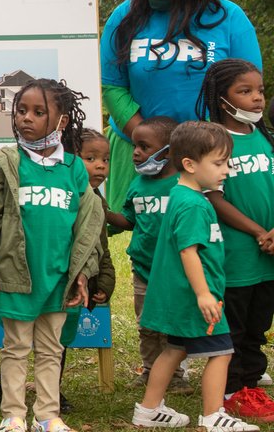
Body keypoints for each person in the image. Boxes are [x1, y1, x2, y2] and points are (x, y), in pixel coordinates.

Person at [0, 78, 103, 432]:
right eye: (22, 110)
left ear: (61, 121)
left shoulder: (74, 168)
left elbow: (87, 227)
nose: (26, 118)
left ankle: (48, 415)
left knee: (51, 349)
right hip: (16, 275)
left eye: (38, 112)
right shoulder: (7, 161)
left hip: (57, 277)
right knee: (15, 348)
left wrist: (82, 272)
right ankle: (12, 414)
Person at [100, 0, 261, 213]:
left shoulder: (229, 18)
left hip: (209, 151)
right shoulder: (124, 16)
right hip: (140, 147)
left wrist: (203, 145)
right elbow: (113, 86)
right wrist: (148, 140)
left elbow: (246, 86)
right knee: (144, 235)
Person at [132, 121, 258, 431]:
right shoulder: (192, 205)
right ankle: (213, 415)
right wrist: (203, 294)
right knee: (223, 352)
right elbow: (188, 252)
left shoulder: (183, 195)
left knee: (175, 349)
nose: (226, 170)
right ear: (189, 164)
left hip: (184, 296)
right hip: (195, 298)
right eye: (218, 163)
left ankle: (148, 409)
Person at [195, 59, 274, 422]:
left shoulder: (263, 135)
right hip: (239, 252)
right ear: (221, 97)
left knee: (258, 324)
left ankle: (251, 385)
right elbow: (214, 196)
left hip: (269, 253)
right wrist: (258, 232)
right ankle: (232, 391)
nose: (257, 99)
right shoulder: (215, 140)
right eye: (245, 91)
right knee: (236, 325)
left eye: (259, 90)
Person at [101, 115, 187, 390]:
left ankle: (175, 376)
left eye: (144, 147)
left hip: (178, 270)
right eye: (134, 147)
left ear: (169, 150)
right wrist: (103, 213)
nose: (136, 153)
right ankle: (150, 370)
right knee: (147, 324)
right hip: (144, 269)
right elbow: (129, 221)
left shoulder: (185, 185)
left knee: (173, 324)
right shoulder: (137, 185)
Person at [56, 130, 116, 413]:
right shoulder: (63, 195)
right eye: (90, 158)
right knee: (26, 337)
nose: (100, 165)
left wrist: (104, 280)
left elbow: (100, 246)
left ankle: (53, 390)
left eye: (105, 159)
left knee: (61, 340)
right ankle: (6, 386)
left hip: (75, 287)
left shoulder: (98, 201)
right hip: (51, 278)